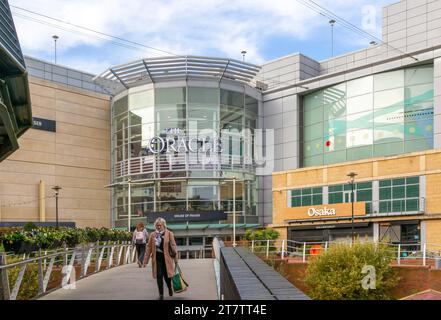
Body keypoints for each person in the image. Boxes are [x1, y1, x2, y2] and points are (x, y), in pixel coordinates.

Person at [143, 217, 178, 300]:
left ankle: (169, 288)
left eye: (160, 225)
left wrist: (176, 260)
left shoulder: (169, 233)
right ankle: (161, 294)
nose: (158, 227)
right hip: (157, 259)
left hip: (167, 259)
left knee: (167, 277)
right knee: (159, 276)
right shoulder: (152, 235)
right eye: (157, 225)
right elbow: (148, 248)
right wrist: (145, 261)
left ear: (163, 225)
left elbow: (173, 246)